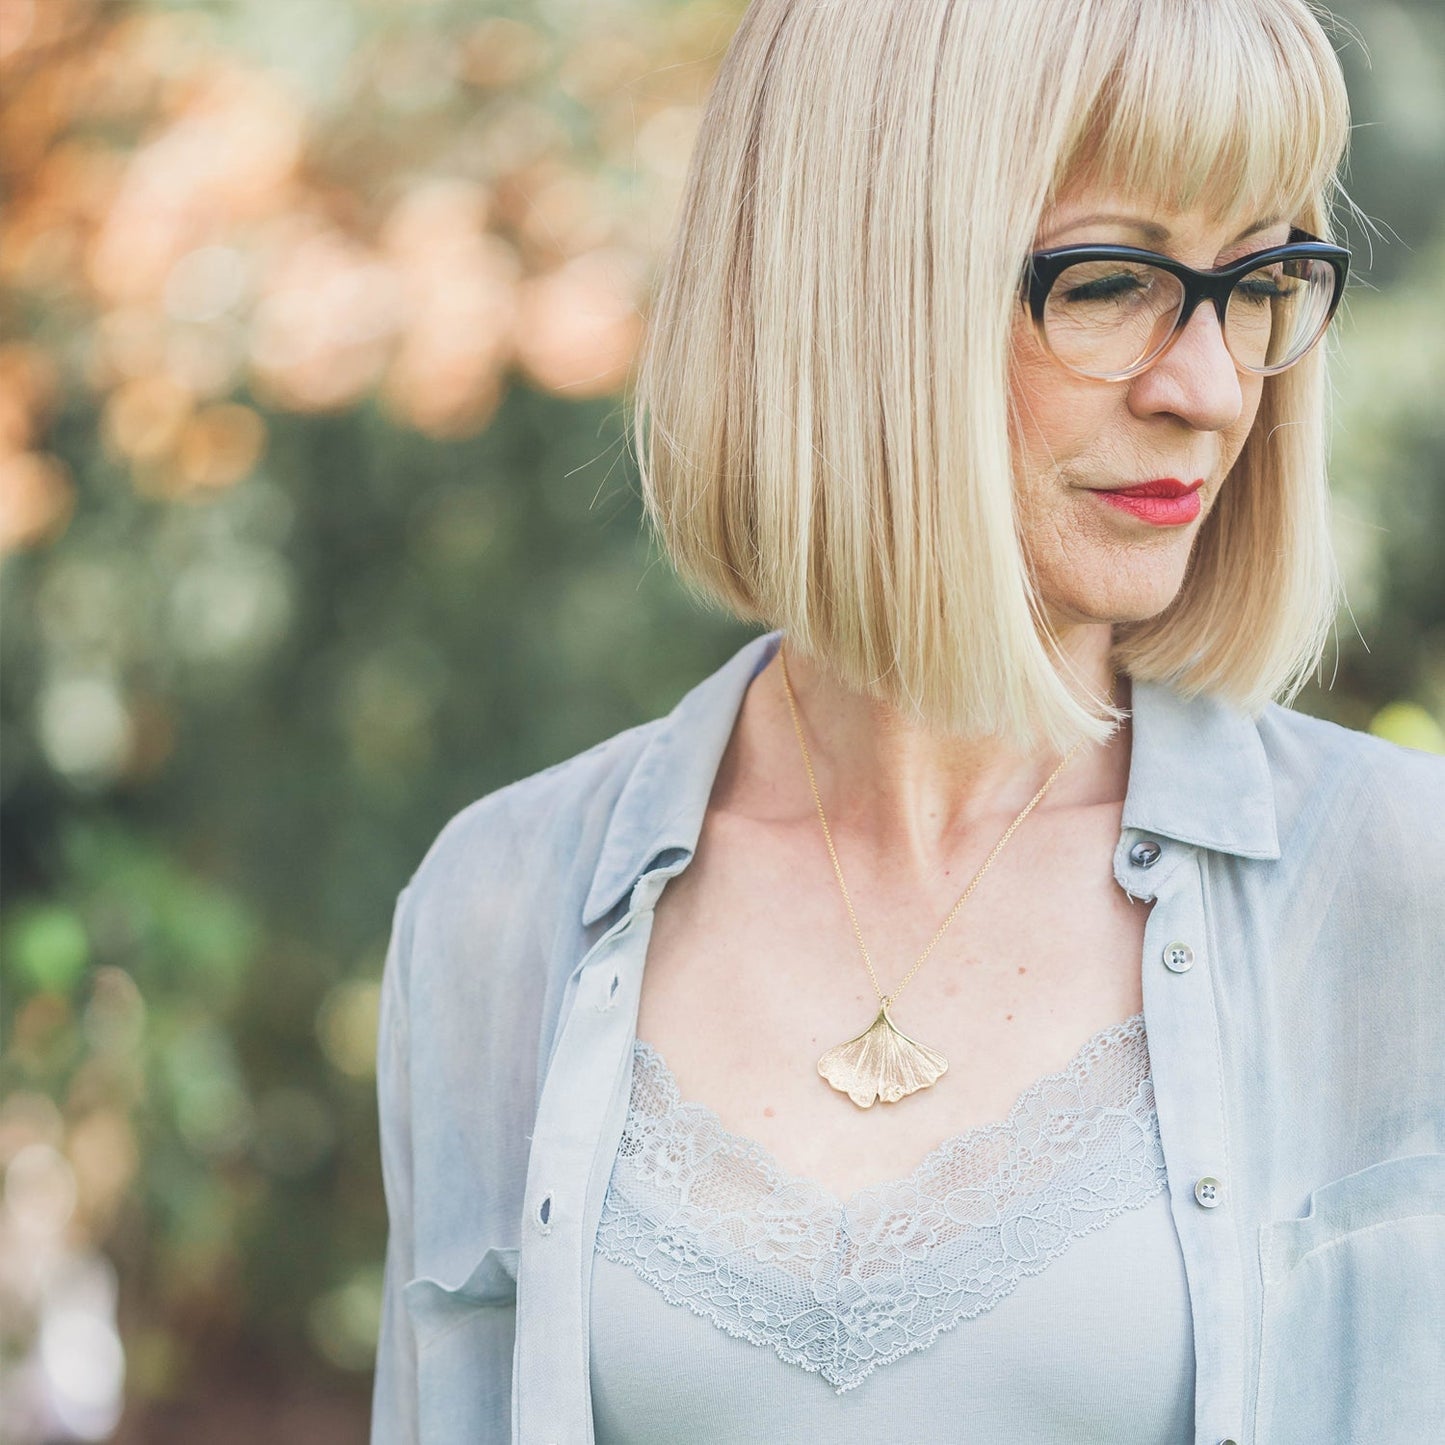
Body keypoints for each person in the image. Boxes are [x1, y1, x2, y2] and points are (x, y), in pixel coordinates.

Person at [370, 0, 1445, 1441]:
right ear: (858, 290)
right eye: (1112, 278)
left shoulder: (1393, 890)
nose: (1207, 388)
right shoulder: (496, 913)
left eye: (1258, 280)